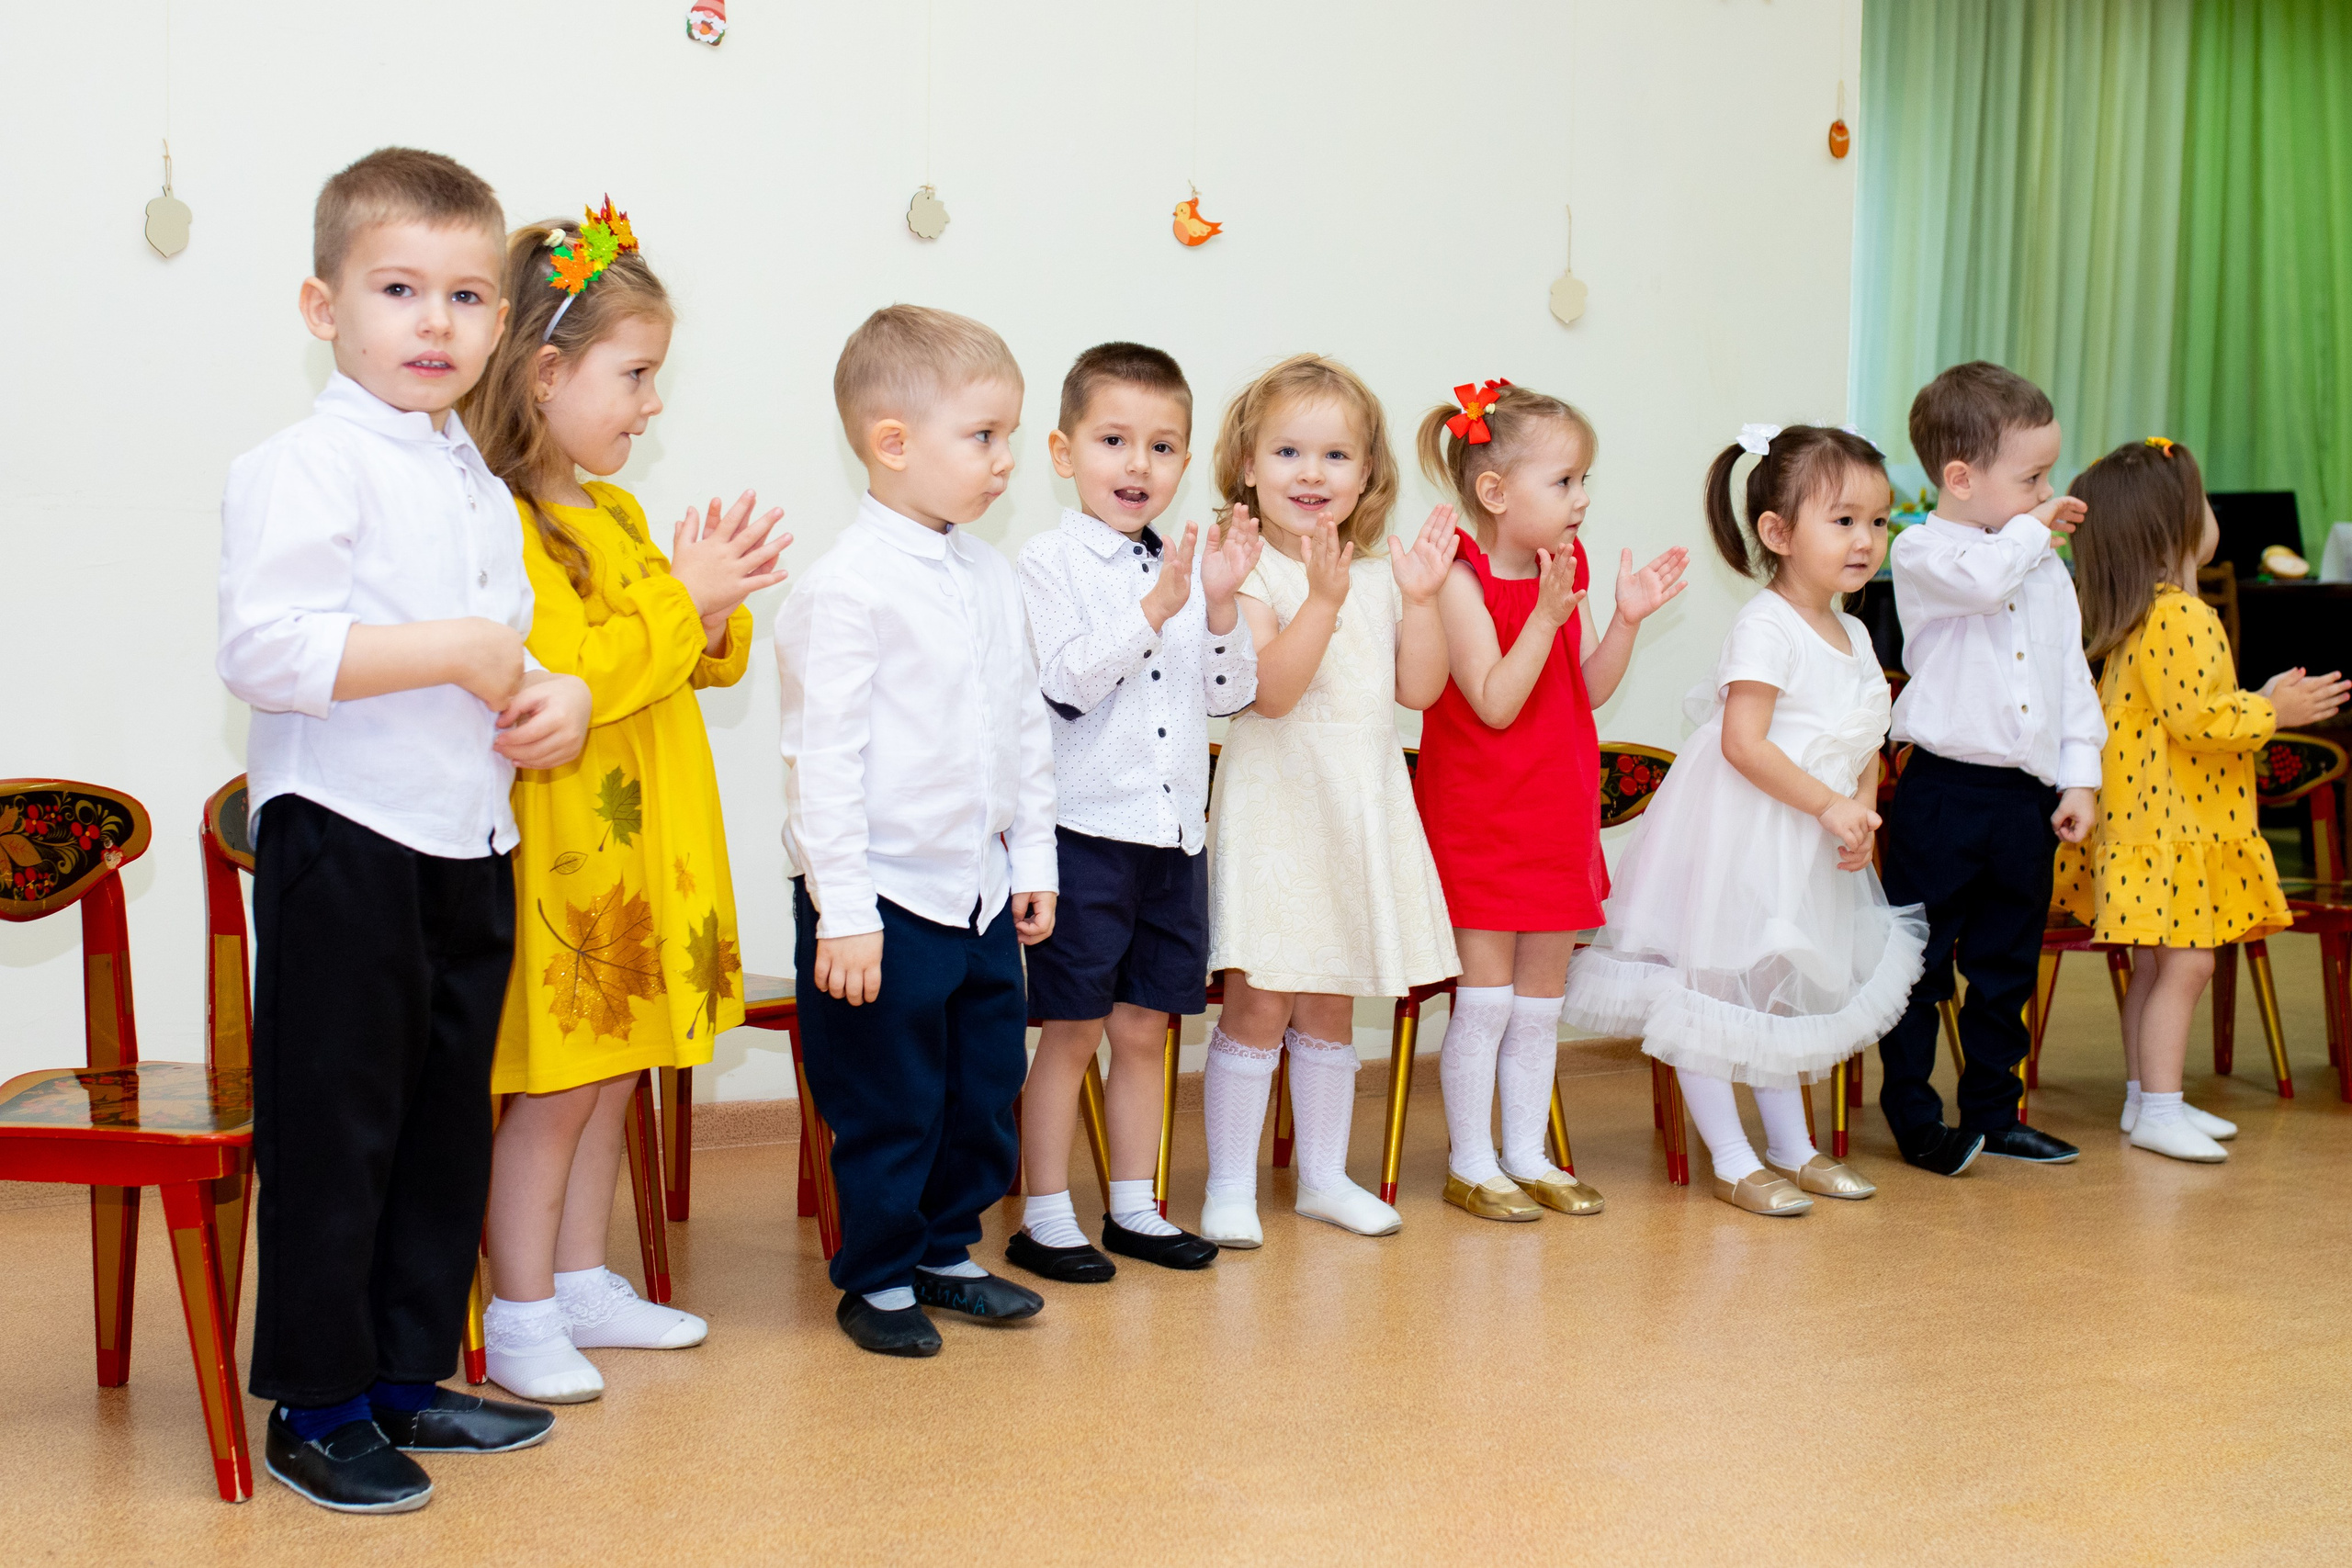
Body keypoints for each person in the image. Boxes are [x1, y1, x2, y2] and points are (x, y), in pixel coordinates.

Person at [217, 148, 592, 1512]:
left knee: (441, 1130)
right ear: (324, 308)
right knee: (340, 1133)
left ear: (499, 323)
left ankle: (401, 1372)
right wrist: (454, 651)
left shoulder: (474, 478)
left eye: (467, 296)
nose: (435, 321)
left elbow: (513, 652)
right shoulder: (304, 465)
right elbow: (265, 649)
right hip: (347, 841)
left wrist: (556, 698)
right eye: (398, 289)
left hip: (465, 842)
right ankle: (317, 1405)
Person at [459, 203, 789, 1399]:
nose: (651, 405)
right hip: (573, 856)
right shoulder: (503, 522)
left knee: (614, 1075)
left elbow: (690, 660)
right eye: (635, 375)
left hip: (649, 849)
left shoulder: (619, 512)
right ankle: (519, 1308)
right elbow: (568, 676)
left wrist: (712, 601)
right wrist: (678, 600)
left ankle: (580, 1279)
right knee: (557, 1088)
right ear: (546, 374)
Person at [775, 305, 1057, 1355]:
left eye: (1007, 435)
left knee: (981, 1089)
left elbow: (1022, 729)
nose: (1005, 459)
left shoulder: (990, 576)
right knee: (890, 1101)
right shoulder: (845, 589)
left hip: (976, 890)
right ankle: (879, 1279)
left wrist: (1032, 860)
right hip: (882, 902)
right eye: (983, 436)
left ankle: (946, 1251)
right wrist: (844, 914)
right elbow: (823, 767)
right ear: (892, 442)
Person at [1566, 424, 1924, 1213]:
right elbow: (1742, 742)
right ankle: (1731, 1157)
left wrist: (1861, 810)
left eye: (1878, 520)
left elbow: (1865, 735)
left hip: (1808, 841)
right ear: (1777, 532)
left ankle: (1793, 1147)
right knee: (1714, 988)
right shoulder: (1767, 623)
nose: (1866, 539)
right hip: (1744, 830)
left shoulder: (1855, 630)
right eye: (1844, 520)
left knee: (1776, 990)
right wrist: (1829, 803)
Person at [1198, 354, 1462, 1247]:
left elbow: (1420, 690)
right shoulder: (1245, 574)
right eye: (1288, 452)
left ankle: (1322, 1177)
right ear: (1247, 465)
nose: (1311, 474)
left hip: (1356, 814)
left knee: (1330, 1004)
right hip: (1277, 818)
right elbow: (1271, 692)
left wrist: (1421, 601)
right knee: (1260, 1001)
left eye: (1335, 456)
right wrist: (1320, 598)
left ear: (1367, 473)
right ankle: (1229, 1186)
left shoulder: (1380, 576)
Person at [1008, 344, 1259, 1281]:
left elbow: (1229, 693)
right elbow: (1066, 684)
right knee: (1071, 1029)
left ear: (1184, 460)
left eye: (1161, 446)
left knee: (1146, 1028)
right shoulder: (1047, 562)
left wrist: (1219, 607)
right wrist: (1156, 608)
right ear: (1063, 451)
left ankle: (1133, 1207)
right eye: (1113, 440)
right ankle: (1043, 1214)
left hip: (1173, 836)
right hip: (1085, 836)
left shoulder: (1186, 569)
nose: (1138, 464)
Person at [1413, 380, 1687, 1222]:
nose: (1582, 498)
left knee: (1539, 1007)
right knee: (1485, 1003)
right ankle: (1471, 1162)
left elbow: (1584, 688)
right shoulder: (1457, 578)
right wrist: (1544, 615)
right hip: (1481, 821)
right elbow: (1495, 700)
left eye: (1583, 480)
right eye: (1564, 481)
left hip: (1555, 816)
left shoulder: (1562, 570)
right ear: (1496, 492)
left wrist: (1625, 622)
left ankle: (1527, 1153)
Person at [2054, 438, 2346, 1160]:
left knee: (2156, 968)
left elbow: (2188, 711)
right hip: (2171, 829)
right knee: (2188, 965)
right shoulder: (2183, 615)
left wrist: (2258, 697)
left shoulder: (2142, 617)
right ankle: (2159, 1107)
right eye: (2205, 502)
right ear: (2175, 528)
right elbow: (2202, 721)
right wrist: (2274, 709)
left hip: (2150, 828)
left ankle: (2145, 1099)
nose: (2214, 513)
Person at [1876, 362, 2101, 1176]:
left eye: (2048, 475)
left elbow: (2069, 675)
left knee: (2006, 965)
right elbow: (1981, 581)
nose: (2048, 494)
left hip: (2023, 799)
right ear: (1961, 478)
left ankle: (1995, 1113)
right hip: (1944, 792)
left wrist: (2080, 776)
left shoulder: (2042, 565)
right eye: (2032, 478)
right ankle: (1913, 1113)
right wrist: (2034, 531)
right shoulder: (1922, 550)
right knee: (1918, 963)